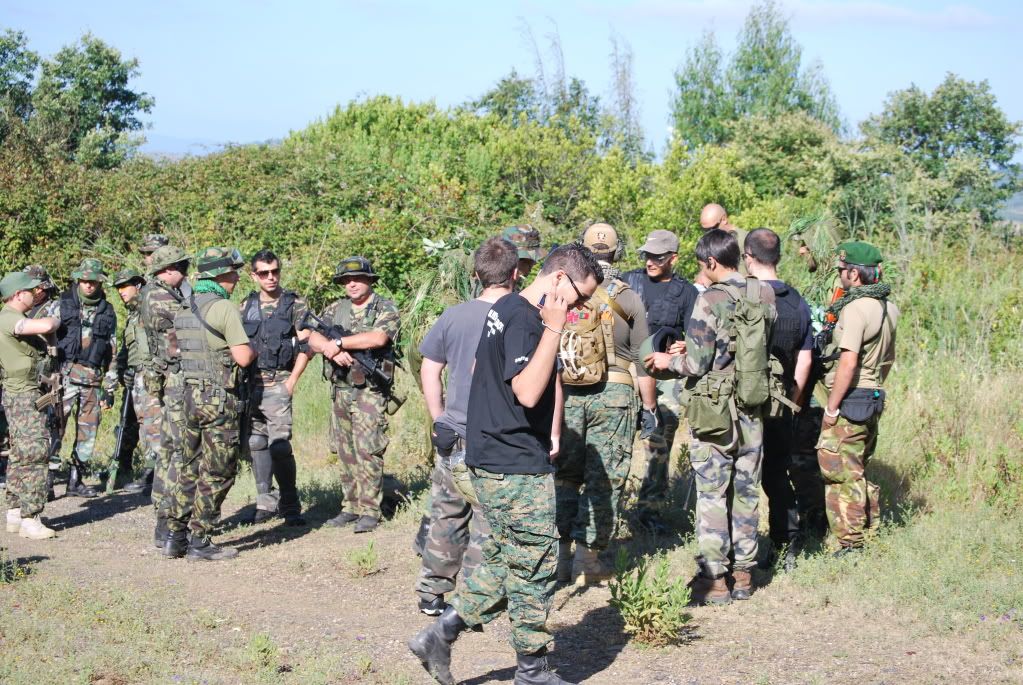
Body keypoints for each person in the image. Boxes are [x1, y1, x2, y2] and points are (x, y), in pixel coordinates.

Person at [408, 243, 601, 685]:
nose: (580, 307)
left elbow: (483, 367)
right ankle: (531, 670)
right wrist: (554, 330)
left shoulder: (507, 308)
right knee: (535, 566)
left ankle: (440, 633)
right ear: (558, 280)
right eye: (580, 297)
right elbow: (529, 392)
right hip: (512, 464)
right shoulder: (527, 319)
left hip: (498, 455)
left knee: (502, 561)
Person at [646, 229, 776, 605]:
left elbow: (697, 362)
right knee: (747, 489)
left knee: (713, 492)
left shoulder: (710, 299)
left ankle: (714, 578)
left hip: (714, 408)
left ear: (712, 262)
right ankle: (745, 574)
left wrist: (667, 361)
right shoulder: (763, 294)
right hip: (753, 404)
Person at [413, 237, 517, 616]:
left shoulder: (453, 315)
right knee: (489, 516)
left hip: (454, 431)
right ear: (516, 273)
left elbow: (430, 366)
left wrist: (439, 414)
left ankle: (431, 592)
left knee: (446, 512)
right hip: (499, 435)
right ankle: (474, 599)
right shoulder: (521, 316)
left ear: (476, 275)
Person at [556, 223, 656, 584]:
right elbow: (646, 359)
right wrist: (650, 408)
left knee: (564, 477)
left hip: (565, 395)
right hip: (615, 394)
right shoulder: (627, 297)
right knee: (604, 479)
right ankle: (589, 561)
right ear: (617, 252)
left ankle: (559, 559)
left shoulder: (565, 290)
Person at [162, 247, 254, 561]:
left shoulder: (185, 306)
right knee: (218, 470)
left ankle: (175, 535)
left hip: (188, 396)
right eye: (232, 272)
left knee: (188, 466)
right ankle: (200, 539)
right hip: (217, 400)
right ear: (220, 275)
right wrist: (251, 351)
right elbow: (242, 357)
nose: (237, 277)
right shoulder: (224, 308)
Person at [816, 241, 898, 556]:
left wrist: (832, 407)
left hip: (851, 398)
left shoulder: (855, 308)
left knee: (839, 472)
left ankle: (850, 543)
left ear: (854, 272)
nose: (839, 277)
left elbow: (848, 362)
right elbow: (888, 359)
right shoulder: (889, 307)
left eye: (841, 271)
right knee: (858, 469)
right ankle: (869, 531)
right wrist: (873, 387)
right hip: (874, 394)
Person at [742, 229, 813, 569]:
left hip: (742, 403)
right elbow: (805, 357)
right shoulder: (797, 301)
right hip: (782, 402)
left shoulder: (744, 297)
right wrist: (793, 399)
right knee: (775, 474)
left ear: (748, 257)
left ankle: (741, 548)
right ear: (779, 257)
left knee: (741, 476)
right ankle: (787, 541)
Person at [622, 229, 699, 533]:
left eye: (658, 257)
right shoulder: (629, 282)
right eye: (647, 255)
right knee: (617, 438)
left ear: (673, 259)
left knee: (658, 440)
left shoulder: (687, 292)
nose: (650, 261)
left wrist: (686, 345)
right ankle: (609, 508)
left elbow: (698, 336)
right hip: (626, 368)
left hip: (664, 376)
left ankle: (649, 511)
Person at [320, 257, 400, 534]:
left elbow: (378, 338)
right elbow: (310, 334)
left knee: (368, 449)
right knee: (345, 451)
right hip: (341, 389)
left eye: (357, 279)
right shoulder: (334, 310)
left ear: (369, 280)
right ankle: (350, 506)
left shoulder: (384, 307)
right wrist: (331, 349)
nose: (352, 284)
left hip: (369, 392)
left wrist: (340, 343)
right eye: (346, 280)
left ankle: (370, 509)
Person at [240, 249, 311, 526]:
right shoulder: (246, 305)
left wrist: (292, 381)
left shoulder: (294, 303)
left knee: (280, 446)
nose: (271, 278)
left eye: (275, 272)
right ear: (254, 275)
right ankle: (265, 503)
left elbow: (307, 344)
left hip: (278, 384)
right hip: (251, 387)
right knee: (257, 443)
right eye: (264, 273)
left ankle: (290, 504)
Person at [1, 271, 61, 539]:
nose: (34, 294)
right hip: (23, 395)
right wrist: (55, 319)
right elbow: (46, 326)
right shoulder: (9, 318)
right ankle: (30, 517)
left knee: (20, 453)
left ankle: (14, 512)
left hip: (25, 393)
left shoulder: (15, 317)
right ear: (17, 294)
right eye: (30, 291)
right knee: (36, 452)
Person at [51, 258, 118, 498]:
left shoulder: (107, 311)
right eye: (85, 281)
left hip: (92, 380)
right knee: (55, 427)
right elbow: (46, 338)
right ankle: (47, 479)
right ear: (78, 280)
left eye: (93, 281)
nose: (89, 285)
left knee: (88, 433)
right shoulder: (61, 304)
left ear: (100, 282)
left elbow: (112, 350)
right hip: (65, 376)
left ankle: (75, 480)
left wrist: (110, 387)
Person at [140, 245, 191, 549]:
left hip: (168, 375)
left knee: (169, 449)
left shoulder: (153, 292)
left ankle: (163, 514)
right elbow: (190, 321)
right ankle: (167, 517)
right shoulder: (160, 296)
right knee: (177, 449)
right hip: (175, 377)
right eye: (181, 267)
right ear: (168, 269)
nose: (185, 273)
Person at [109, 268, 163, 494]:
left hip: (150, 376)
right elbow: (126, 349)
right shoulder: (133, 315)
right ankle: (152, 473)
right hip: (137, 378)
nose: (121, 292)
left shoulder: (149, 308)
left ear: (138, 285)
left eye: (125, 286)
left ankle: (156, 476)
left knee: (154, 427)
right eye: (118, 288)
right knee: (145, 427)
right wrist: (121, 372)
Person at [701, 203, 749, 276]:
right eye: (705, 230)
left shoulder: (745, 240)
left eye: (713, 228)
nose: (709, 233)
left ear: (724, 219)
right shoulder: (709, 243)